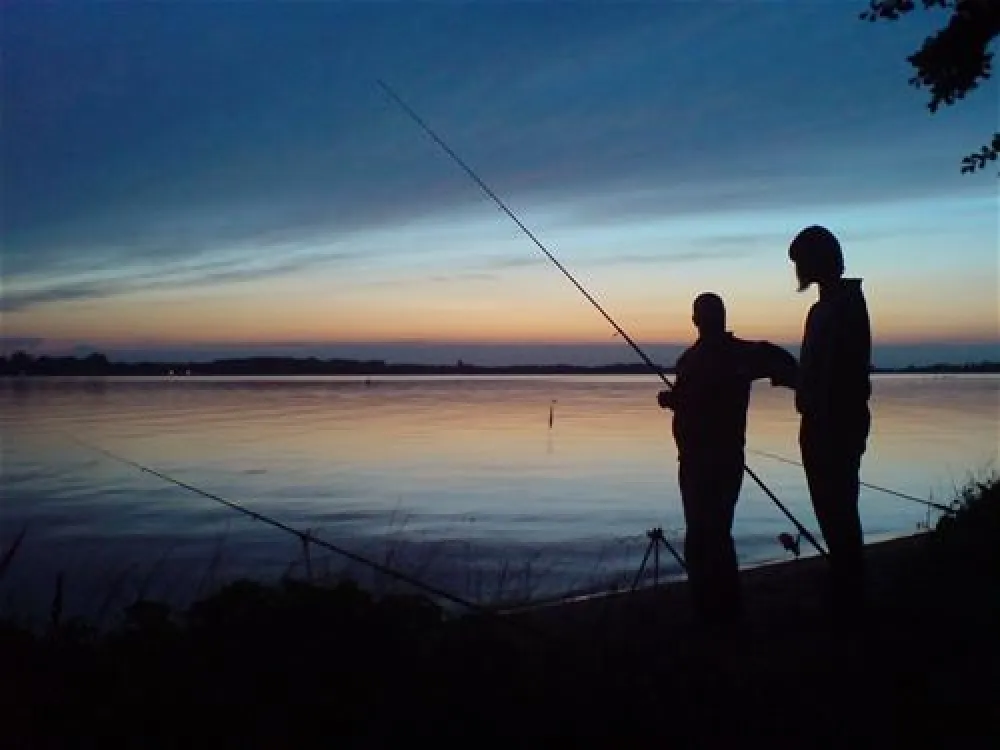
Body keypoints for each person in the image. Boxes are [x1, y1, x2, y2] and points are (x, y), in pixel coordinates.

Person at [657, 293, 797, 627]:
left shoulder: (738, 354)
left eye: (706, 315)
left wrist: (799, 384)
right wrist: (673, 400)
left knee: (712, 534)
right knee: (704, 534)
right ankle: (710, 606)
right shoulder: (692, 360)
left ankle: (720, 611)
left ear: (699, 319)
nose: (705, 321)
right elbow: (690, 400)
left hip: (719, 459)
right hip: (694, 459)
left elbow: (782, 362)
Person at [788, 225, 872, 623]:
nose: (797, 270)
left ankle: (848, 598)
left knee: (838, 511)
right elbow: (820, 372)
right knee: (834, 511)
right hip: (827, 423)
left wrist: (805, 388)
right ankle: (846, 588)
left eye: (800, 261)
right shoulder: (827, 307)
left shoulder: (841, 306)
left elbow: (839, 374)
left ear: (818, 260)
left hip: (833, 427)